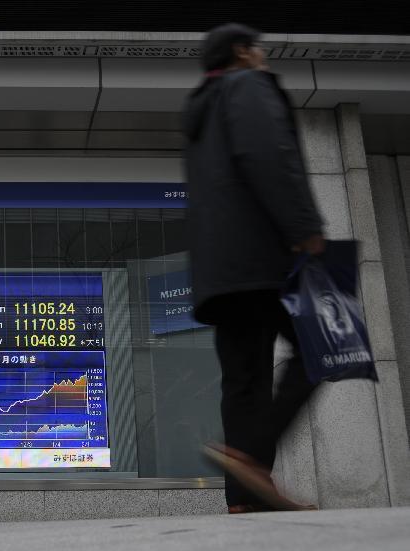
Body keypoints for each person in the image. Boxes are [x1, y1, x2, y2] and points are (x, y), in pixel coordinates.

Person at [183, 23, 327, 513]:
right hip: (262, 259)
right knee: (318, 346)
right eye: (258, 47)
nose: (263, 55)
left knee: (243, 379)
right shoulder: (248, 86)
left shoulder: (201, 113)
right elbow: (271, 157)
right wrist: (304, 227)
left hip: (220, 274)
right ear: (243, 52)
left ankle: (244, 499)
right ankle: (248, 460)